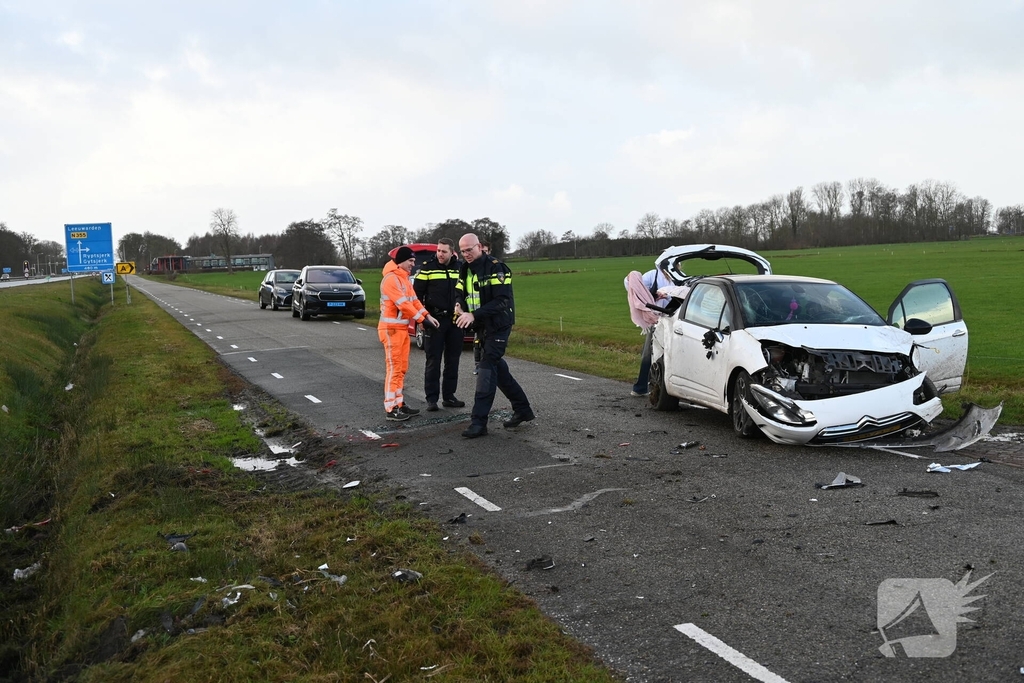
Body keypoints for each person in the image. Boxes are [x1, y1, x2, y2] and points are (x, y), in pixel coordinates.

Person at [454, 233, 533, 438]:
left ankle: (479, 422)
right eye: (462, 251)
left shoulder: (497, 268)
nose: (466, 254)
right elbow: (460, 292)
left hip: (498, 325)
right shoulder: (464, 269)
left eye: (469, 250)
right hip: (481, 325)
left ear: (480, 246)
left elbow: (502, 301)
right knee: (499, 370)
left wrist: (473, 315)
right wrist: (458, 306)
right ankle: (523, 409)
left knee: (486, 370)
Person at [379, 247, 438, 421]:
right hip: (391, 330)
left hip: (401, 329)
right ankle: (391, 408)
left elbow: (415, 302)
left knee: (401, 368)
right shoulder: (391, 279)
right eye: (411, 261)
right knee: (394, 369)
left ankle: (399, 404)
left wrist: (427, 316)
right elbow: (403, 305)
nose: (414, 264)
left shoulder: (403, 279)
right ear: (401, 261)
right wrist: (422, 320)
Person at [413, 238, 465, 411]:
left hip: (455, 320)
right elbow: (416, 296)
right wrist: (421, 318)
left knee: (453, 360)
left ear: (452, 252)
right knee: (433, 360)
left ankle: (449, 397)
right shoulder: (427, 268)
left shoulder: (461, 268)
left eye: (444, 251)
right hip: (434, 320)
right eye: (438, 251)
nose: (440, 254)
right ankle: (432, 399)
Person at [625, 266, 673, 397]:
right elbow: (631, 285)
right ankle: (642, 387)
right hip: (655, 321)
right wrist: (632, 276)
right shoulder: (653, 275)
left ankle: (661, 387)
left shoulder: (678, 277)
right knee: (649, 354)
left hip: (671, 320)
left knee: (666, 354)